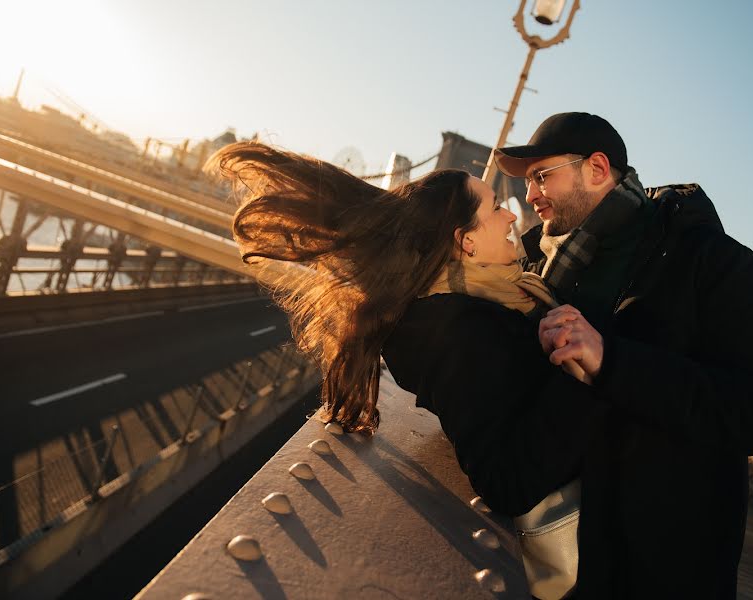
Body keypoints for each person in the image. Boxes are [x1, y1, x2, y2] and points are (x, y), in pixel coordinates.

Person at [209, 143, 600, 596]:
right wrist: (580, 372)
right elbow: (505, 481)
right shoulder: (459, 331)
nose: (512, 217)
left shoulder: (492, 301)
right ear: (465, 242)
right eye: (496, 208)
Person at [492, 112, 753, 598]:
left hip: (659, 567)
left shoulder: (710, 259)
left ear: (596, 169)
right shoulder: (540, 260)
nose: (530, 195)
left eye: (540, 176)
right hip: (551, 548)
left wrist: (613, 363)